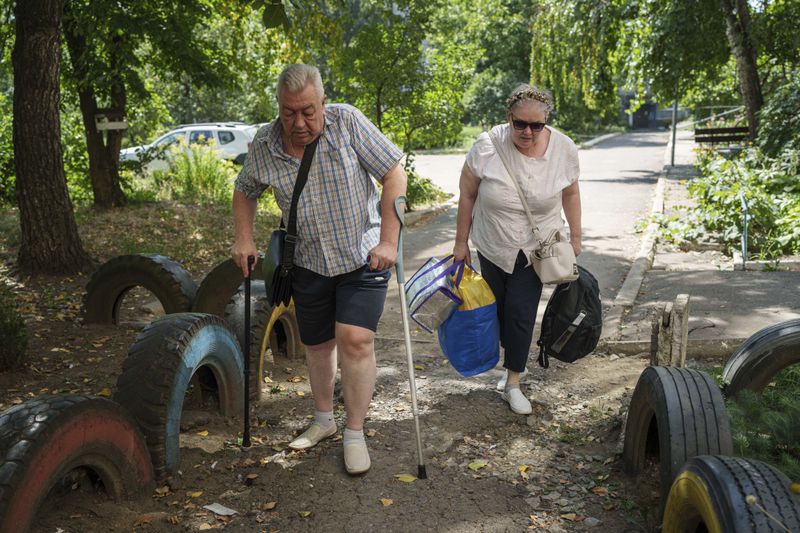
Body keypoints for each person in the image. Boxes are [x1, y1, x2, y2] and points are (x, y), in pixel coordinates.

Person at [231, 64, 408, 474]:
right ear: (278, 107)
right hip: (307, 261)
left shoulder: (347, 123)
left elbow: (393, 171)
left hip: (363, 255)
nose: (298, 122)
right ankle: (324, 419)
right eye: (289, 112)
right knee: (317, 345)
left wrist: (389, 240)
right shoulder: (265, 142)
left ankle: (355, 431)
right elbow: (245, 189)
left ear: (323, 103)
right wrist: (243, 236)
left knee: (356, 339)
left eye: (308, 111)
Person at [452, 84, 582, 415]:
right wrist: (460, 242)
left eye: (535, 125)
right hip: (493, 243)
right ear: (509, 117)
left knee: (521, 313)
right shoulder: (487, 147)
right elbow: (467, 194)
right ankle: (515, 359)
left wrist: (576, 236)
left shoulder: (563, 149)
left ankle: (512, 382)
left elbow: (570, 193)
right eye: (520, 124)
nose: (527, 131)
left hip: (536, 249)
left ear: (546, 121)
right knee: (496, 311)